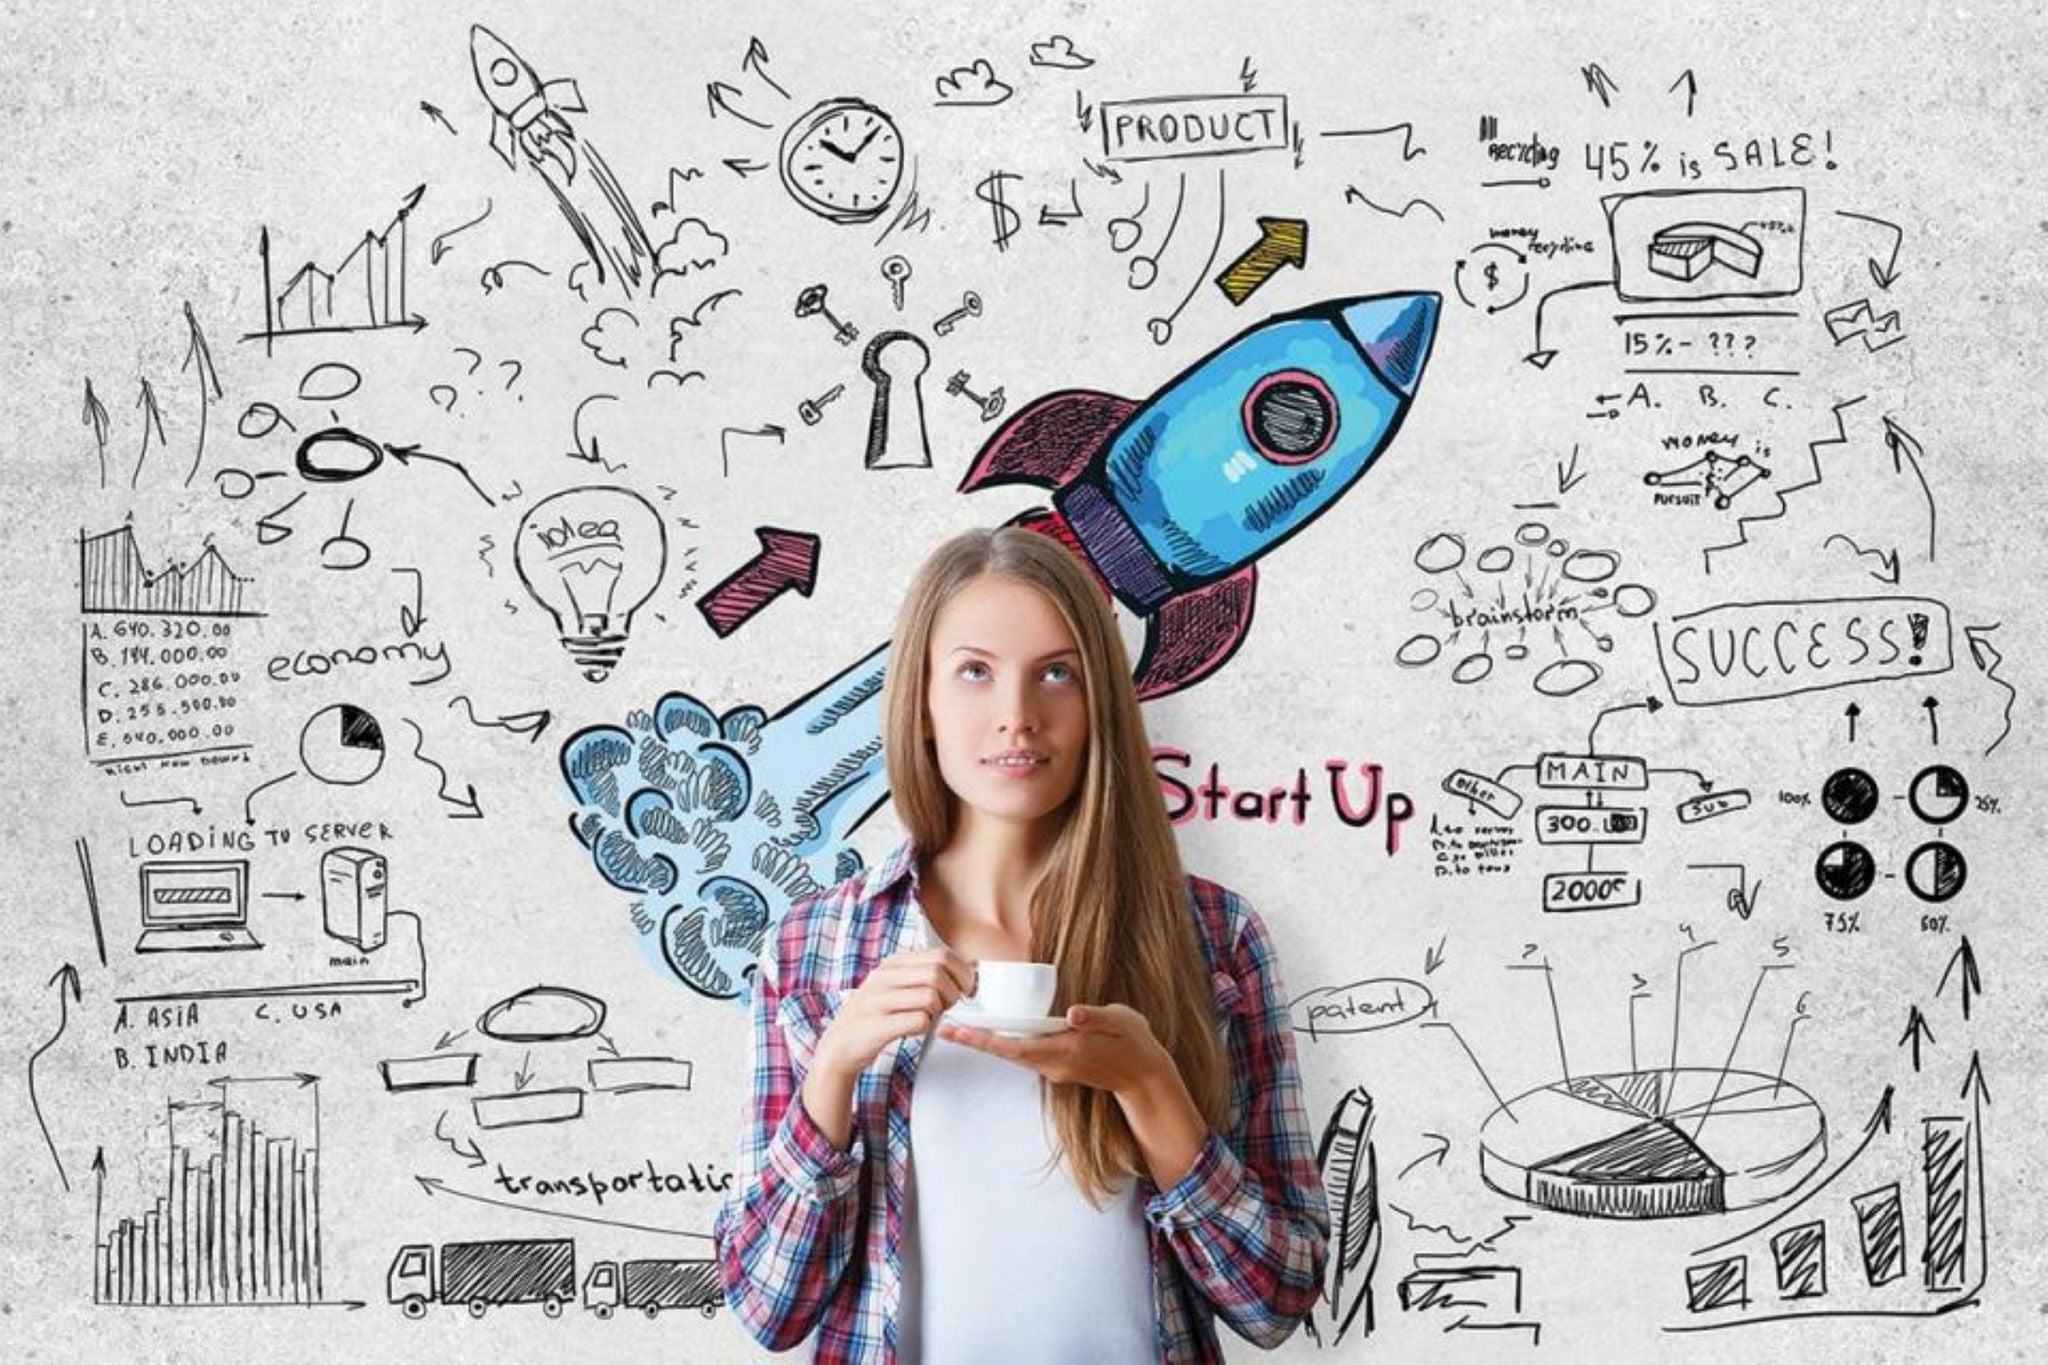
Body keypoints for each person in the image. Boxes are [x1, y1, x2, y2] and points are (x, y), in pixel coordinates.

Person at [714, 526, 1329, 1362]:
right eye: (975, 671)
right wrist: (833, 1070)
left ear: (1098, 706)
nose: (1016, 715)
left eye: (1057, 673)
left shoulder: (1216, 939)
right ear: (922, 702)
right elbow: (766, 1311)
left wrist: (1150, 1086)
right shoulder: (814, 948)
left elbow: (1277, 1299)